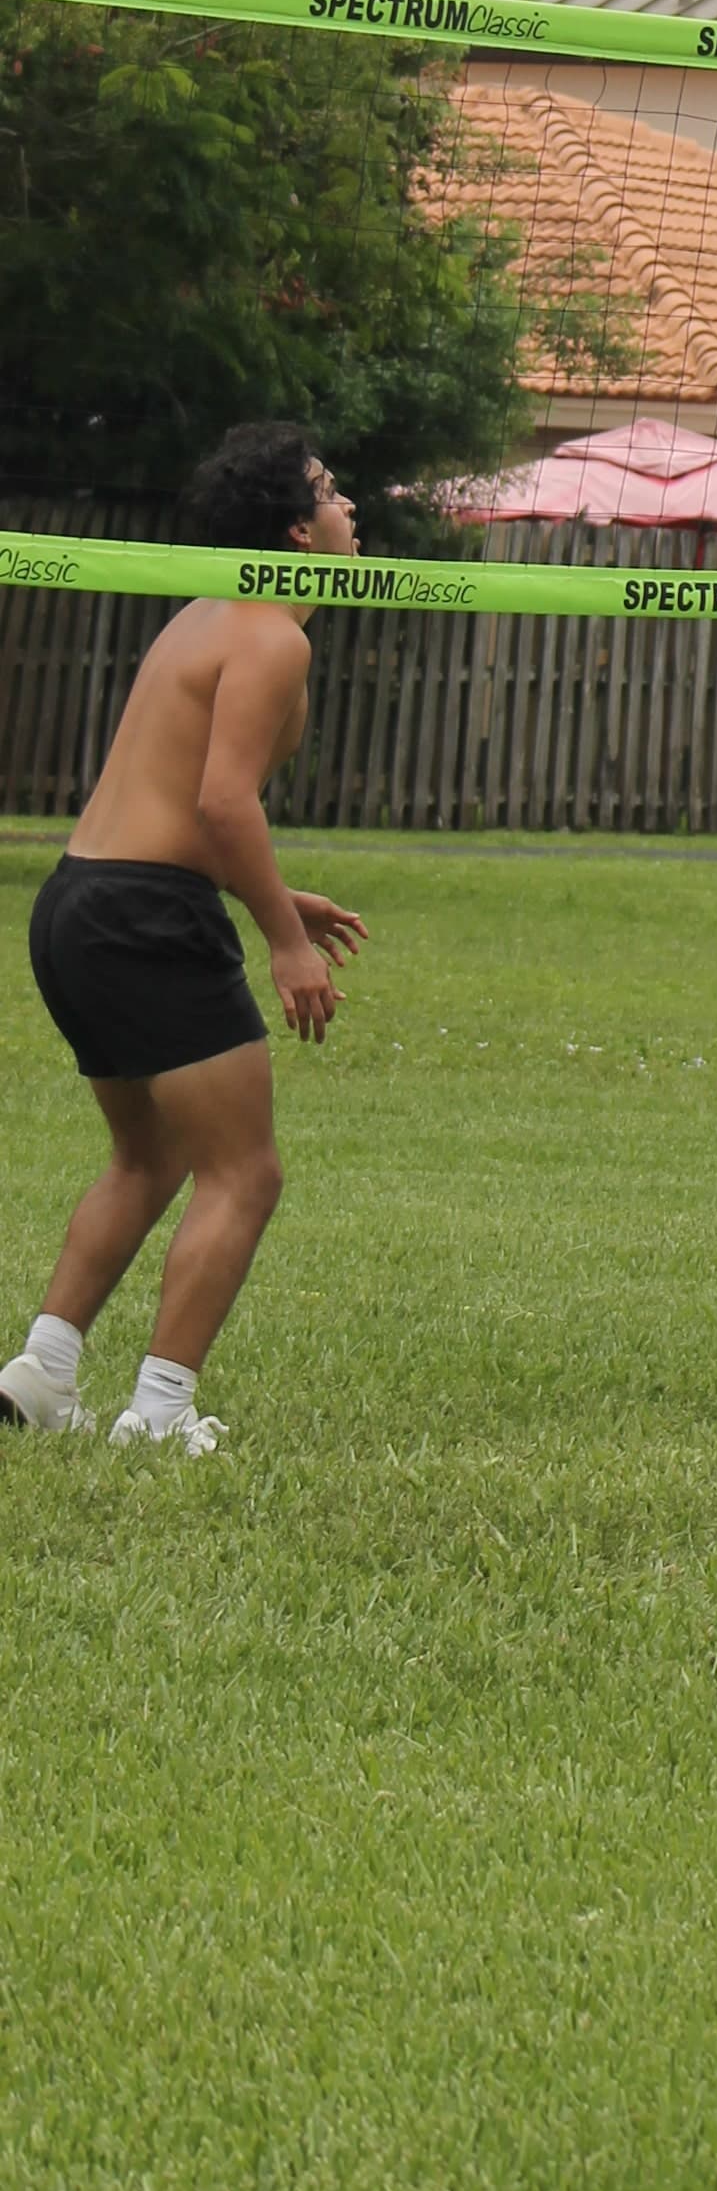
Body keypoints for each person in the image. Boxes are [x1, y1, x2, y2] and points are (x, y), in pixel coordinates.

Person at [4, 422, 367, 1454]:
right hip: (146, 916)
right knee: (245, 1173)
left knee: (147, 1156)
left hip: (81, 901)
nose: (352, 511)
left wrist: (278, 898)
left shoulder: (208, 616)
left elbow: (176, 808)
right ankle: (160, 1414)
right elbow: (220, 804)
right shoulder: (270, 636)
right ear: (297, 530)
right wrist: (282, 943)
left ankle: (43, 1372)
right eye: (332, 493)